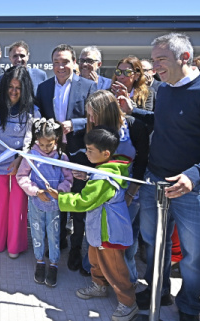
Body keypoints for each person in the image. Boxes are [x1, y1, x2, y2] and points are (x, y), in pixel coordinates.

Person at [122, 33, 200, 321]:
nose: (154, 66)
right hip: (155, 182)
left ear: (184, 58)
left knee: (193, 256)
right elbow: (165, 122)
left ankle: (189, 308)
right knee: (154, 243)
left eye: (160, 59)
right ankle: (158, 291)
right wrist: (135, 112)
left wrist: (194, 175)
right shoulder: (163, 89)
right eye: (153, 60)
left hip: (194, 189)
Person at [49, 127, 138, 321]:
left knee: (115, 268)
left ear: (105, 154)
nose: (86, 153)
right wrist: (89, 177)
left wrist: (61, 197)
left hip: (109, 233)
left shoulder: (102, 178)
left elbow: (84, 202)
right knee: (95, 259)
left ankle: (128, 303)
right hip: (100, 230)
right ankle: (99, 286)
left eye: (90, 150)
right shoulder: (106, 169)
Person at [36, 43, 97, 271]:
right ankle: (58, 240)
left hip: (80, 153)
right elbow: (38, 115)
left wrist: (76, 123)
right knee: (57, 199)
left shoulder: (88, 87)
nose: (60, 67)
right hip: (54, 155)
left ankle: (75, 249)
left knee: (78, 206)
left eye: (65, 62)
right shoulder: (43, 88)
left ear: (74, 63)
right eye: (56, 62)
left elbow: (96, 117)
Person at [82, 90, 149, 286]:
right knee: (97, 239)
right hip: (101, 195)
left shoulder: (134, 126)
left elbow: (142, 162)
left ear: (106, 112)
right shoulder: (95, 129)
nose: (91, 119)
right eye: (89, 115)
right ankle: (100, 283)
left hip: (129, 196)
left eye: (94, 114)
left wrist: (130, 193)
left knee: (124, 245)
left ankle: (128, 287)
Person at [0, 66, 40, 258]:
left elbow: (32, 140)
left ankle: (15, 245)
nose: (14, 92)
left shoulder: (32, 109)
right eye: (10, 87)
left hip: (21, 164)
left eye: (18, 88)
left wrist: (20, 160)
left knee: (18, 204)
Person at [16, 118, 73, 287]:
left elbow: (68, 178)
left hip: (55, 205)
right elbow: (22, 176)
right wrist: (35, 191)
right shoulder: (31, 156)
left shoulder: (62, 157)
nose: (46, 148)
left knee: (54, 234)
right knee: (37, 231)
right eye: (42, 145)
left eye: (50, 144)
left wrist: (61, 191)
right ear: (37, 141)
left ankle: (53, 264)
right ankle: (40, 261)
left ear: (56, 140)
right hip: (36, 203)